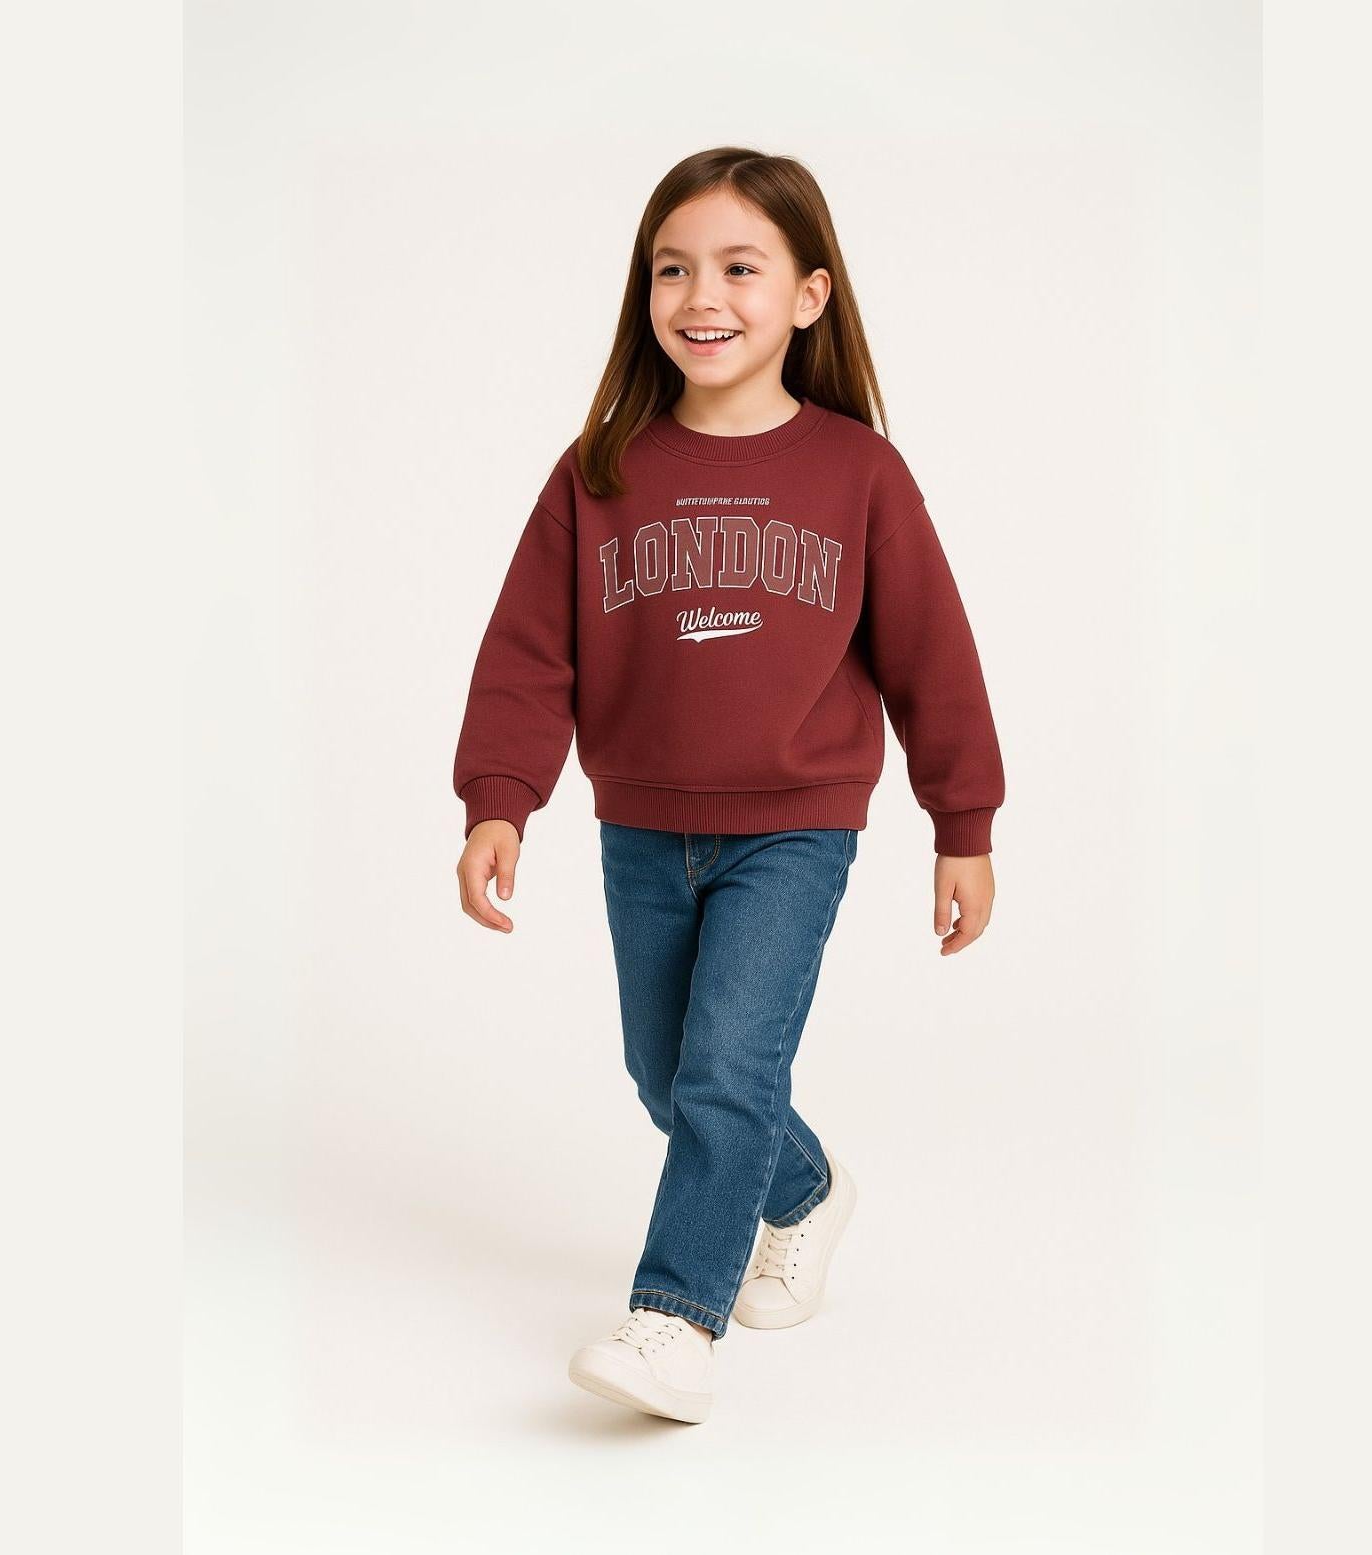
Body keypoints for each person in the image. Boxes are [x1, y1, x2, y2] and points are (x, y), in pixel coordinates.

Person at [452, 146, 1005, 1425]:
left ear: (808, 295)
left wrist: (960, 823)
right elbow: (527, 653)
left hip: (793, 830)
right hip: (641, 827)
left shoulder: (860, 472)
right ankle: (803, 1191)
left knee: (720, 1073)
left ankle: (673, 1322)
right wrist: (499, 797)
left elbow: (935, 654)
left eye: (739, 268)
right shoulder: (599, 468)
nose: (703, 295)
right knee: (669, 1073)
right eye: (672, 268)